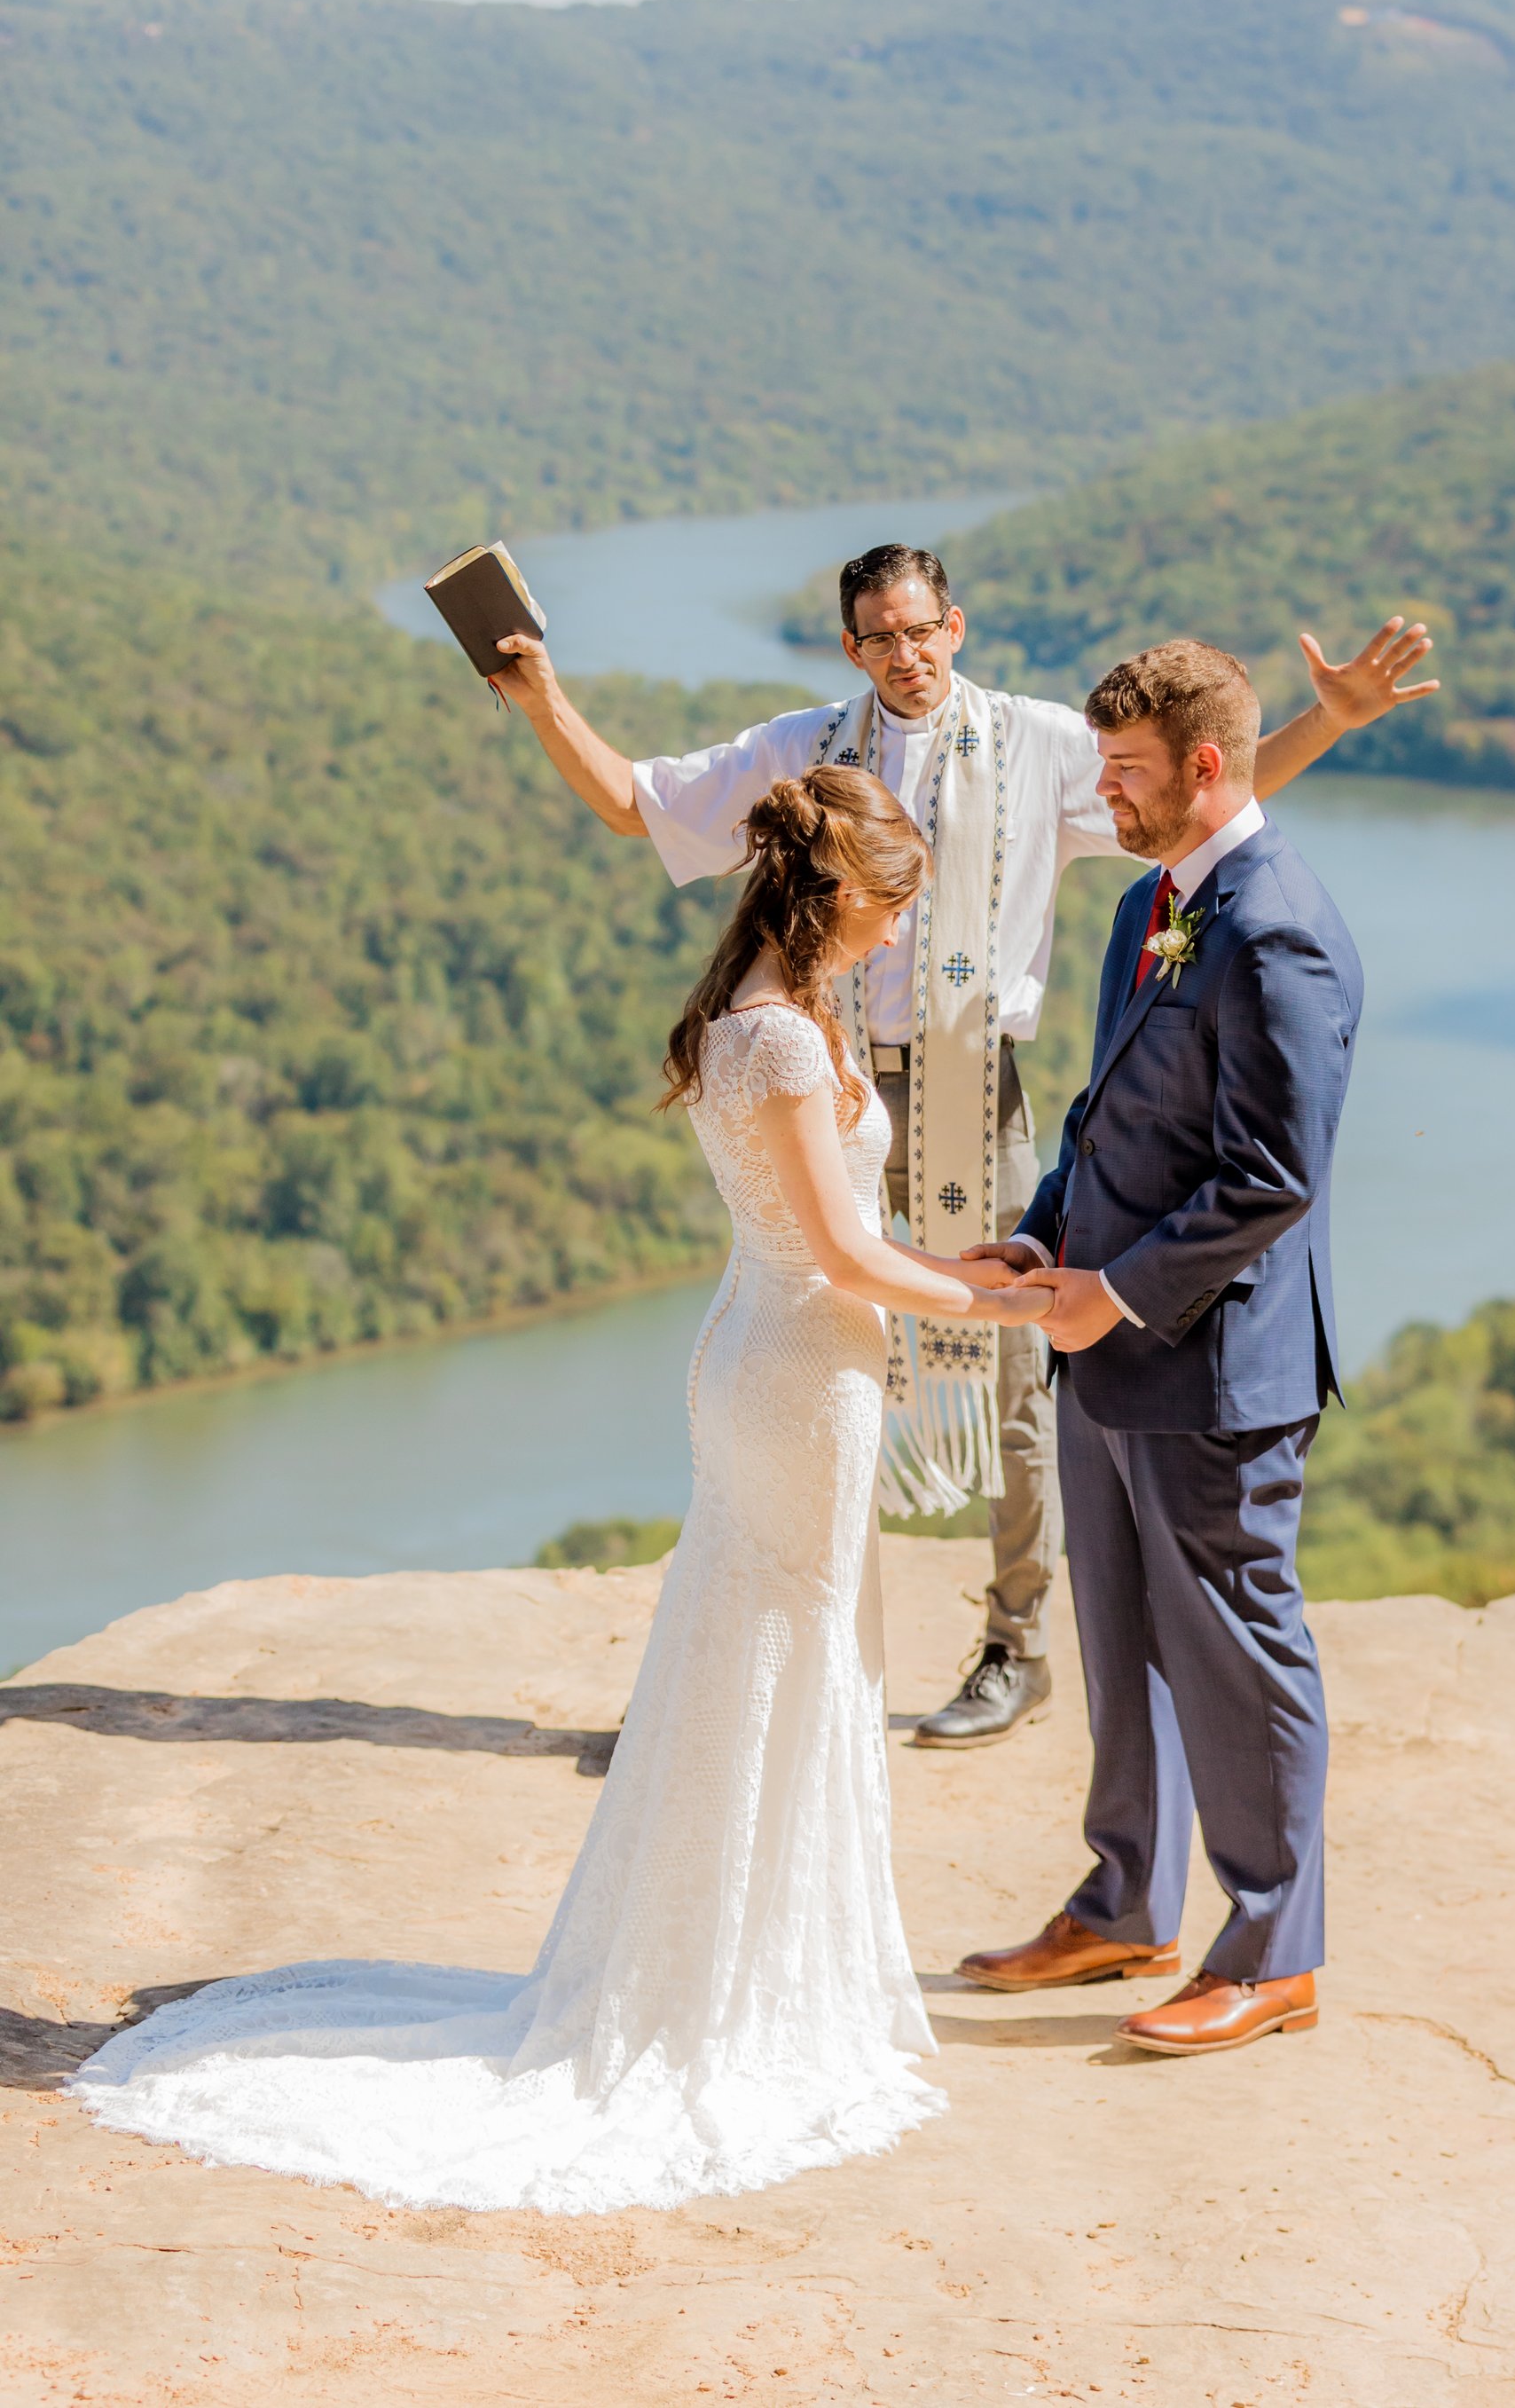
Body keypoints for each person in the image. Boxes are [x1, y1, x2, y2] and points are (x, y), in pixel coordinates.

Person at [71, 770, 1042, 2211]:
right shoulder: (776, 1036)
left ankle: (749, 1964)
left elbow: (850, 1233)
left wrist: (973, 1271)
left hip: (785, 1367)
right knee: (776, 1669)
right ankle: (727, 1994)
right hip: (793, 1373)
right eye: (893, 907)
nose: (902, 933)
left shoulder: (778, 1011)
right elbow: (839, 1258)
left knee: (777, 1666)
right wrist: (1012, 1305)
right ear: (836, 893)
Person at [489, 543, 1434, 1745]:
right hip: (829, 1081)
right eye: (880, 634)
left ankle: (1014, 1641)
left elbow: (1205, 796)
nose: (906, 652)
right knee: (816, 1354)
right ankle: (776, 1661)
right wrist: (540, 696)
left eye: (923, 628)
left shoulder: (1039, 743)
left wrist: (1328, 721)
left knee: (1022, 1359)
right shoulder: (804, 747)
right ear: (851, 647)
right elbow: (638, 803)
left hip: (973, 1093)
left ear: (958, 626)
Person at [958, 641, 1359, 2058]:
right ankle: (1127, 1897)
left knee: (1239, 1654)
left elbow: (1271, 1177)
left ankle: (1276, 1949)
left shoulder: (1278, 928)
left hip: (1211, 1370)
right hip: (1105, 1342)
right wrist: (1039, 1238)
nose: (1104, 792)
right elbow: (1104, 1110)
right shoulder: (1151, 905)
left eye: (1125, 771)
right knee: (1123, 1641)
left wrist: (1114, 1297)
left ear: (1204, 765)